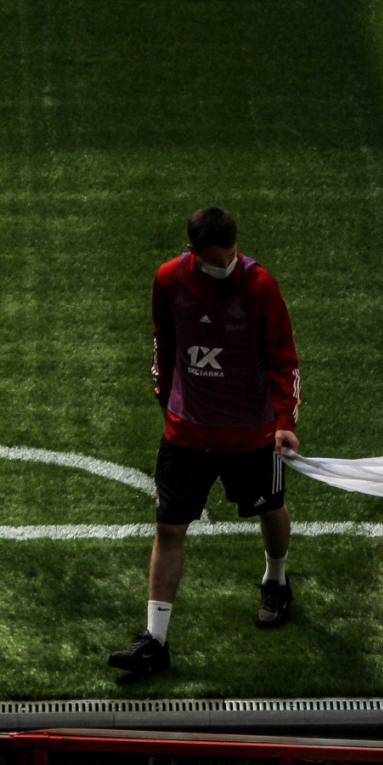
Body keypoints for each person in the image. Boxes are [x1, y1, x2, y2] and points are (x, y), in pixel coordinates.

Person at [108, 205, 301, 677]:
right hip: (186, 432)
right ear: (194, 253)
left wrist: (284, 421)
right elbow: (164, 339)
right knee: (169, 527)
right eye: (218, 259)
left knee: (270, 507)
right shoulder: (169, 280)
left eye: (233, 255)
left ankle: (276, 579)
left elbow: (284, 358)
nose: (227, 265)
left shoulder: (259, 287)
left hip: (252, 435)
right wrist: (166, 397)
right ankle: (155, 640)